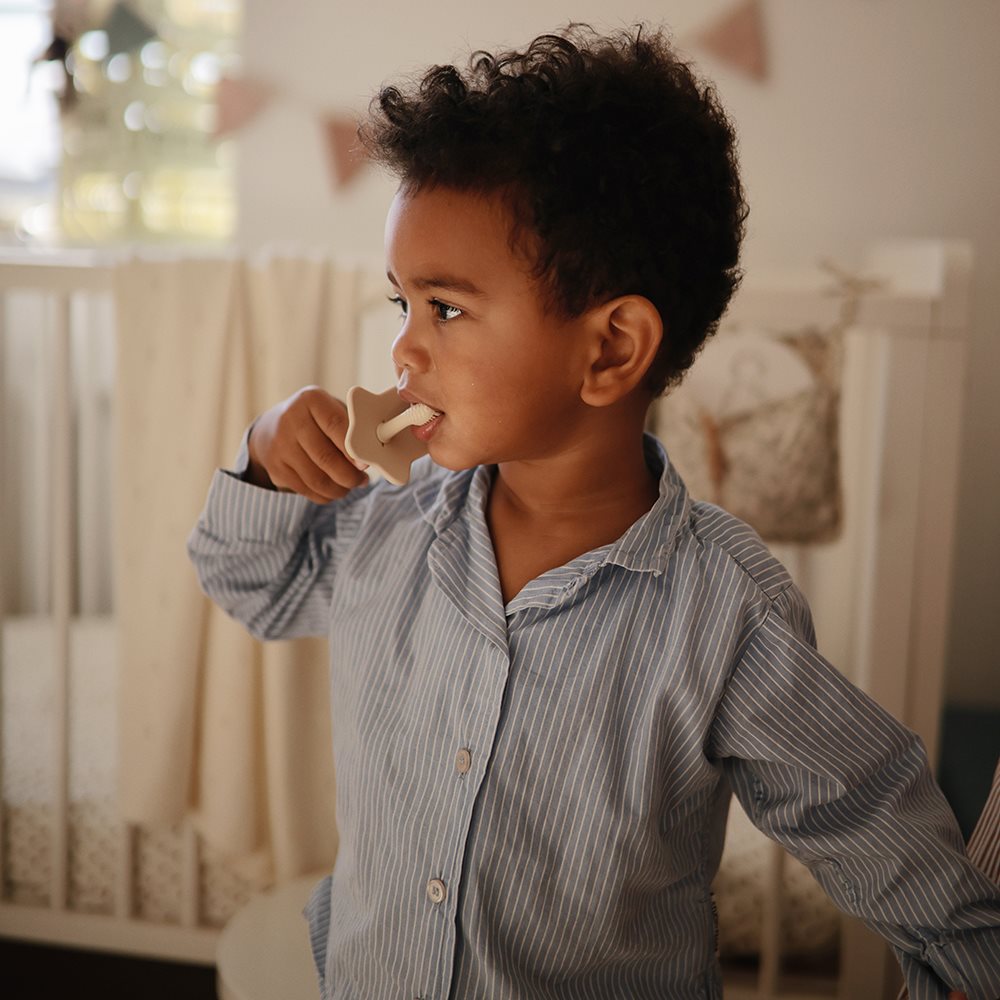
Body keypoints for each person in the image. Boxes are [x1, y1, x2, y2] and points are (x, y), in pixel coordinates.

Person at [187, 23, 999, 1000]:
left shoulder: (723, 615)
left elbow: (873, 824)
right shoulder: (386, 525)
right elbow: (249, 581)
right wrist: (270, 451)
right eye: (399, 301)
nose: (403, 350)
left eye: (443, 308)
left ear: (610, 350)